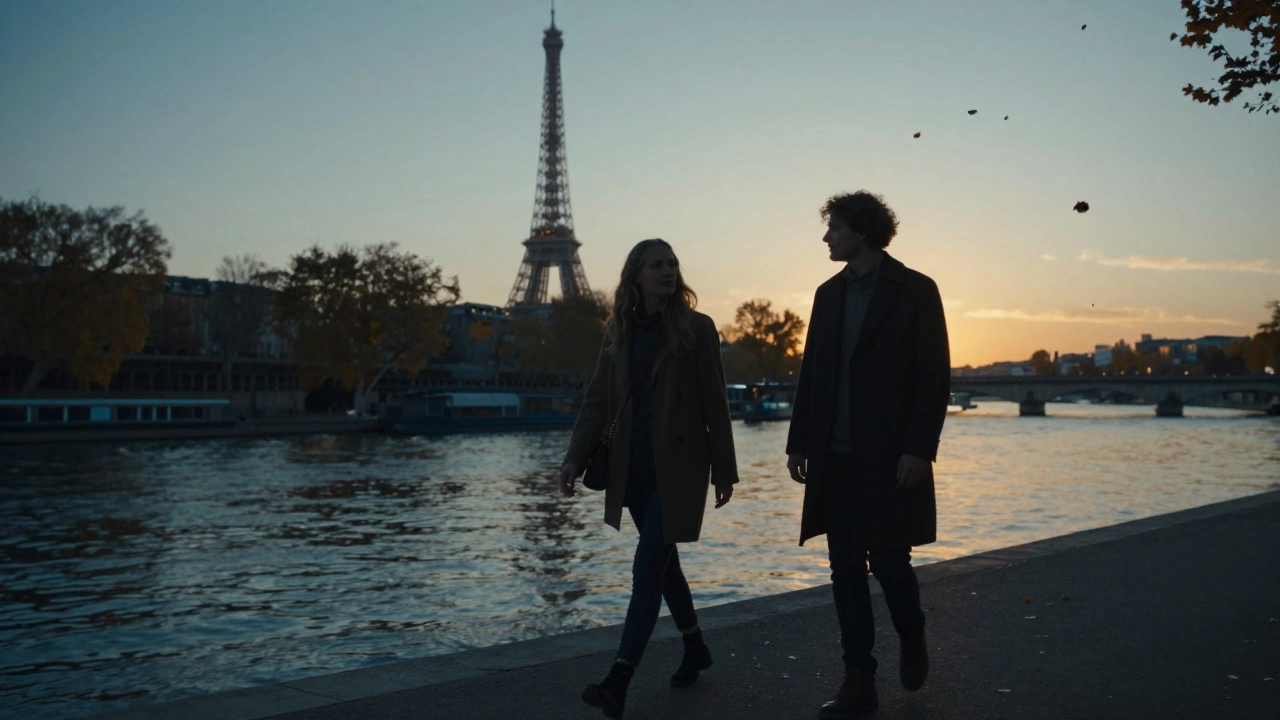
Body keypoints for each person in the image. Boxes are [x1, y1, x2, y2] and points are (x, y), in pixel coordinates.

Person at [558, 238, 739, 719]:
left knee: (646, 568)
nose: (668, 271)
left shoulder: (697, 329)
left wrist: (725, 469)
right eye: (657, 265)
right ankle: (695, 646)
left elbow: (715, 403)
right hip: (631, 470)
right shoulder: (617, 330)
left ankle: (619, 679)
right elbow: (597, 400)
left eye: (673, 263)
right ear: (635, 275)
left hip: (678, 470)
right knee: (664, 564)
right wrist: (573, 458)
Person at [785, 191, 950, 718]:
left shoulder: (917, 290)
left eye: (833, 227)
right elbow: (813, 371)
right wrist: (798, 441)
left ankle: (912, 633)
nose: (826, 237)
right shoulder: (826, 294)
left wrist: (919, 449)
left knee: (890, 562)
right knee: (844, 569)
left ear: (859, 230)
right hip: (835, 456)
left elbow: (933, 376)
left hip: (888, 454)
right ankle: (859, 679)